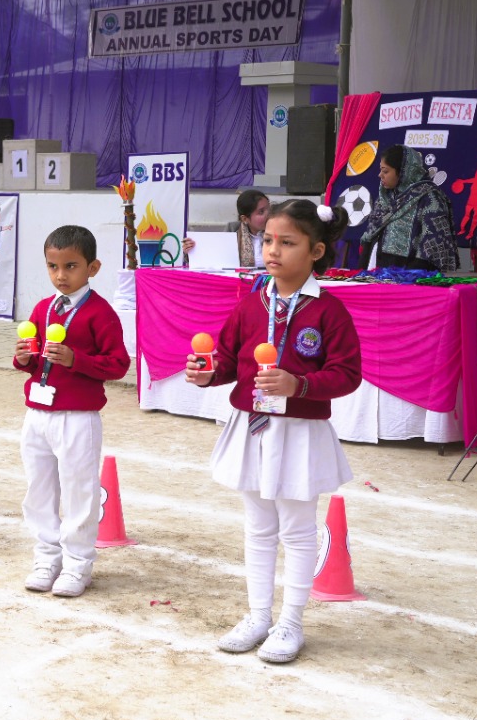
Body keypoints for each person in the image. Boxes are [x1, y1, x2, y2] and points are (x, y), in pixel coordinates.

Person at [185, 199, 360, 664]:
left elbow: (347, 374)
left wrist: (298, 384)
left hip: (299, 432)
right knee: (259, 527)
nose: (273, 251)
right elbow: (229, 359)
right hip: (253, 428)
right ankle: (258, 616)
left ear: (316, 251)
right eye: (267, 241)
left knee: (298, 531)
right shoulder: (250, 304)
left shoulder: (329, 312)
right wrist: (208, 373)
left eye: (287, 242)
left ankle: (291, 623)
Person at [13, 225, 131, 598]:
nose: (61, 275)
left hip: (77, 416)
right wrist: (24, 359)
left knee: (79, 492)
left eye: (70, 266)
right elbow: (34, 361)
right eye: (53, 266)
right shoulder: (43, 309)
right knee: (39, 488)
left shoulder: (100, 313)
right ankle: (46, 558)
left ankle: (77, 564)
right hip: (38, 413)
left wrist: (76, 359)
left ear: (92, 268)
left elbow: (118, 364)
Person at [357, 144, 459, 272]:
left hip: (410, 273)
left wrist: (412, 276)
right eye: (381, 170)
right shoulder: (385, 197)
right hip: (375, 267)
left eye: (385, 171)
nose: (380, 175)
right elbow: (371, 234)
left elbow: (434, 247)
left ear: (403, 172)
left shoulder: (430, 198)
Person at [235, 189, 270, 268]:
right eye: (261, 212)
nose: (268, 214)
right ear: (245, 219)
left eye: (269, 209)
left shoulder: (280, 233)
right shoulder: (234, 239)